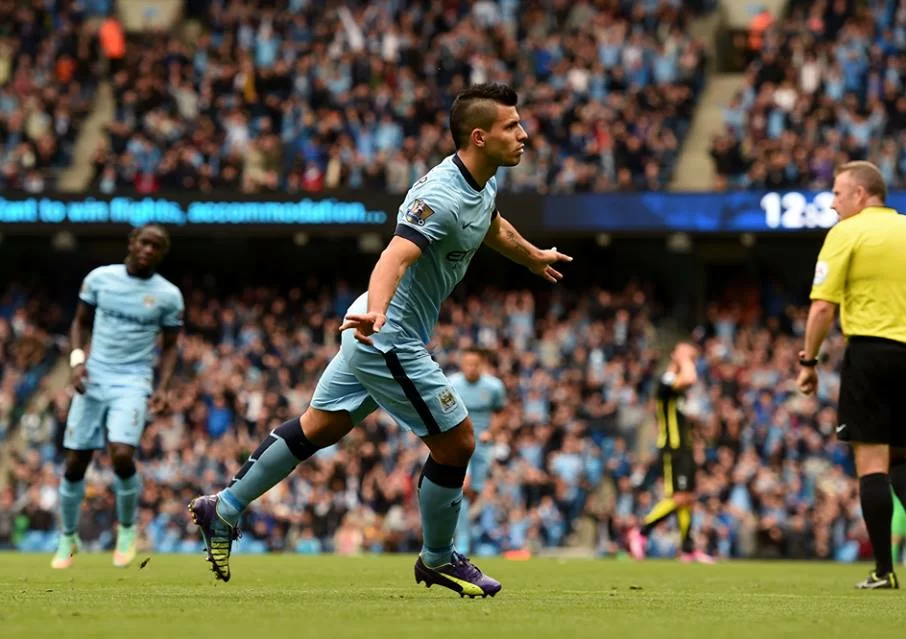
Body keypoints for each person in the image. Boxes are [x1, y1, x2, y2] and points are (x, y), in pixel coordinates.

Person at [187, 83, 572, 597]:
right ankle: (438, 559)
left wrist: (531, 256)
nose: (524, 134)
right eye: (512, 126)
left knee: (318, 427)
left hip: (374, 328)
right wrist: (377, 311)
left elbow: (491, 225)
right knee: (458, 442)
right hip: (386, 334)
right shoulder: (440, 195)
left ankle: (224, 506)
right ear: (479, 137)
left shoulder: (482, 183)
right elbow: (395, 254)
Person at [796, 161, 906, 589]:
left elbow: (822, 307)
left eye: (837, 194)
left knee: (870, 462)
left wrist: (809, 362)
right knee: (901, 456)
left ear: (860, 194)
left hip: (869, 353)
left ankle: (884, 570)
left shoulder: (846, 233)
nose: (832, 204)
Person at [52, 224, 183, 569]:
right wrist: (77, 361)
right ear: (132, 243)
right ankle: (68, 536)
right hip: (94, 375)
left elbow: (171, 346)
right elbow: (80, 322)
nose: (148, 250)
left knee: (122, 454)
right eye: (144, 243)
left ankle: (126, 529)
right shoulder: (100, 279)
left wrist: (163, 387)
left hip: (133, 381)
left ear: (162, 253)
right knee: (76, 461)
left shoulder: (168, 295)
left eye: (156, 246)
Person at [627, 342, 714, 564]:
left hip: (684, 448)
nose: (692, 359)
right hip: (672, 448)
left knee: (688, 499)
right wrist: (684, 357)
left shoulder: (678, 389)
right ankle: (641, 531)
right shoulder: (666, 382)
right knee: (678, 497)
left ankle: (687, 549)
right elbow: (690, 377)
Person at [449, 348, 506, 553]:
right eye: (468, 363)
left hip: (482, 446)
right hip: (459, 443)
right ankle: (462, 543)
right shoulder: (452, 384)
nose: (471, 368)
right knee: (463, 487)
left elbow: (500, 413)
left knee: (474, 492)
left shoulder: (494, 386)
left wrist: (491, 432)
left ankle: (463, 534)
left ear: (481, 365)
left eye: (475, 364)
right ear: (462, 364)